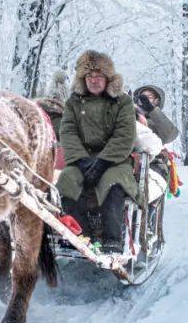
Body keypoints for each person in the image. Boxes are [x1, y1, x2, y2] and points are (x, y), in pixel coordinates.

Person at [57, 51, 137, 253]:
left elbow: (125, 135)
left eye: (98, 76)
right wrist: (82, 160)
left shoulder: (123, 102)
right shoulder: (73, 102)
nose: (94, 81)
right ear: (83, 80)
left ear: (108, 78)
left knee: (112, 182)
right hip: (82, 158)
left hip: (115, 160)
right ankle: (78, 235)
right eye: (89, 77)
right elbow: (67, 132)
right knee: (67, 179)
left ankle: (113, 238)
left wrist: (102, 162)